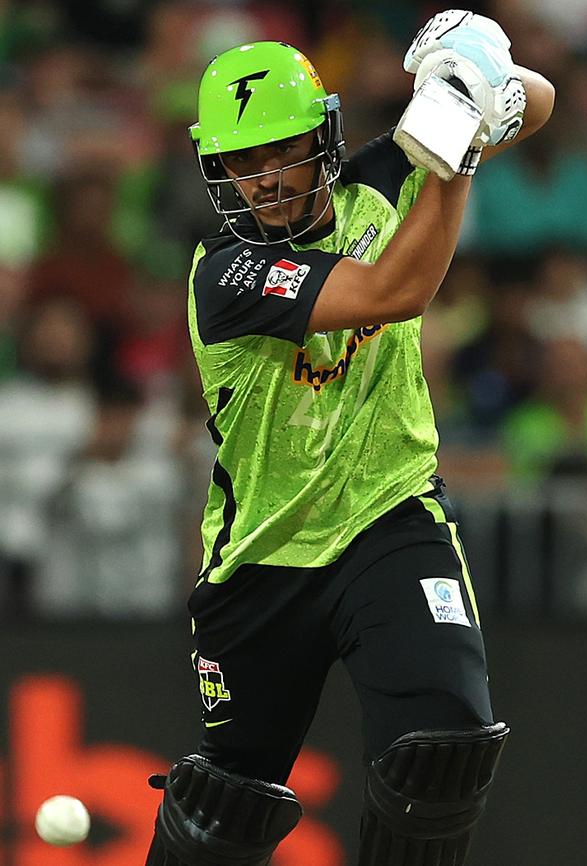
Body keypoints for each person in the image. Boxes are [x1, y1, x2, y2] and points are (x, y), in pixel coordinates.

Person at [145, 10, 555, 866]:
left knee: (443, 751)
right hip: (263, 558)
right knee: (227, 807)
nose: (261, 181)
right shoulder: (226, 273)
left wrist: (474, 83)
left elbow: (542, 101)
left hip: (389, 519)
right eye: (240, 162)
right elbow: (391, 292)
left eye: (280, 153)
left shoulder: (380, 176)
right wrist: (458, 149)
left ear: (324, 139)